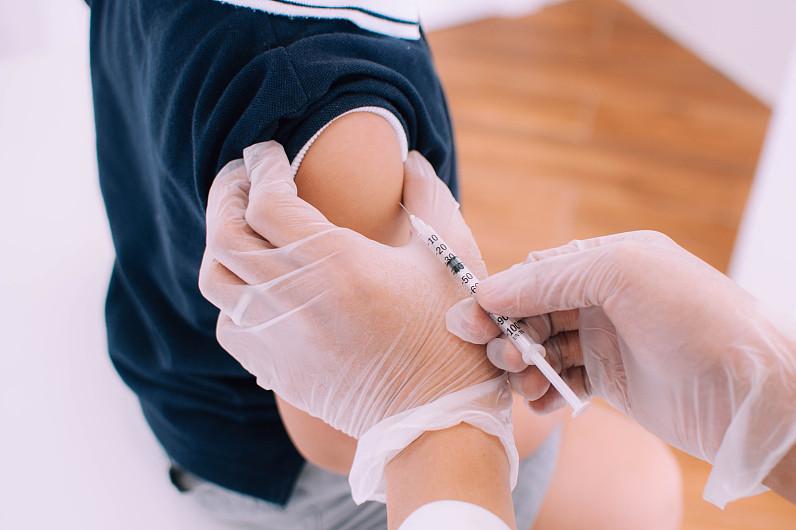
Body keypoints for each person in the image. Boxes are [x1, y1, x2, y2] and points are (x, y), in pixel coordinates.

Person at [87, 1, 679, 528]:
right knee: (640, 491)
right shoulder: (335, 120)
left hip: (168, 356)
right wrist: (511, 400)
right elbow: (341, 439)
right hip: (277, 464)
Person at [201, 145, 795, 529]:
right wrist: (770, 405)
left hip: (225, 423)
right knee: (639, 491)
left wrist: (769, 405)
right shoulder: (340, 144)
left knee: (640, 486)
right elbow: (333, 445)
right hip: (295, 474)